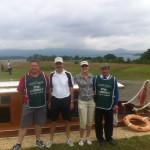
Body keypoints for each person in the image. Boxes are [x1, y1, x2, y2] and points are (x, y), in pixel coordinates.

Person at [11, 60, 49, 150]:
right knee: (24, 125)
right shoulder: (25, 77)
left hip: (41, 105)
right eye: (32, 66)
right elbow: (20, 90)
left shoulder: (44, 76)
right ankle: (18, 144)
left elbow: (48, 88)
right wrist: (27, 98)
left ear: (38, 67)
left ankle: (38, 140)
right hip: (28, 105)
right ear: (30, 67)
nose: (34, 67)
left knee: (39, 124)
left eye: (36, 66)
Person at [46, 57, 74, 148]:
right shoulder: (51, 75)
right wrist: (49, 101)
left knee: (67, 121)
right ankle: (51, 140)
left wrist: (72, 101)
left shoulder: (68, 74)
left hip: (66, 99)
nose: (59, 65)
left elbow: (71, 89)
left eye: (60, 63)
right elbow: (50, 89)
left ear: (63, 64)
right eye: (57, 64)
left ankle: (68, 138)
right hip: (55, 100)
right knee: (53, 121)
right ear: (55, 65)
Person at [94, 63, 119, 146]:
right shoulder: (96, 78)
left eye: (106, 69)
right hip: (98, 105)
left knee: (109, 123)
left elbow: (116, 92)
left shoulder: (113, 79)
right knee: (98, 123)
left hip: (109, 104)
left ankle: (109, 138)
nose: (104, 71)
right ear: (101, 70)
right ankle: (100, 139)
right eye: (103, 69)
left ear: (109, 70)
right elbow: (94, 90)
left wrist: (115, 104)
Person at [74, 61, 95, 146]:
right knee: (83, 121)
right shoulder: (77, 77)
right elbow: (73, 86)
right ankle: (81, 138)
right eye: (83, 66)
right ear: (81, 67)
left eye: (86, 66)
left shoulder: (92, 76)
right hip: (82, 101)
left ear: (88, 67)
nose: (84, 67)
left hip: (91, 101)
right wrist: (77, 89)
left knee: (90, 121)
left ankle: (88, 137)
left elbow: (96, 86)